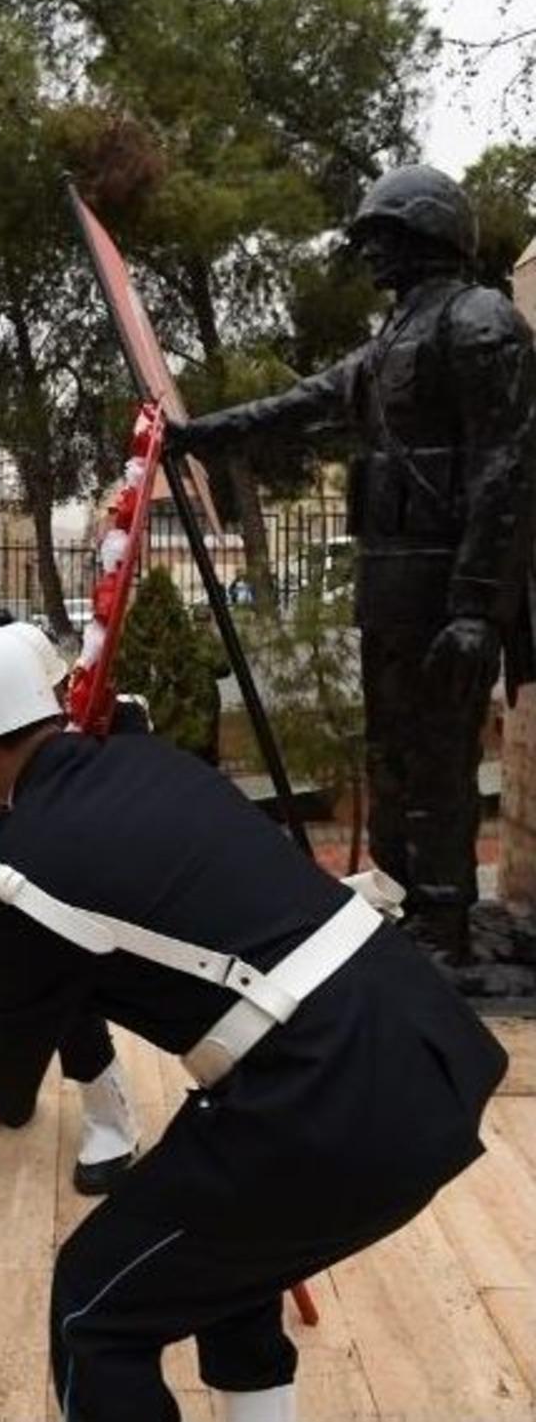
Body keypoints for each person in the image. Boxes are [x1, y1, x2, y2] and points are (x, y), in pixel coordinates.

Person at [0, 626, 507, 1422]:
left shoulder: (19, 873)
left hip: (327, 1102)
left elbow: (11, 1080)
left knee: (95, 1308)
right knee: (229, 1270)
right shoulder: (149, 760)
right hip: (427, 1049)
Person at [168, 165, 536, 959]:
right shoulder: (392, 338)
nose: (369, 255)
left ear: (426, 234)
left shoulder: (481, 322)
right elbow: (299, 403)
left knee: (440, 756)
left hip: (446, 585)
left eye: (382, 237)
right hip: (391, 582)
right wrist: (199, 433)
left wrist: (477, 607)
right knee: (393, 754)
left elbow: (505, 469)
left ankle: (446, 920)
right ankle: (412, 902)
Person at [0, 621, 139, 1196]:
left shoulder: (114, 718)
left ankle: (112, 1125)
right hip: (23, 891)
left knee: (73, 1003)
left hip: (98, 898)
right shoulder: (4, 733)